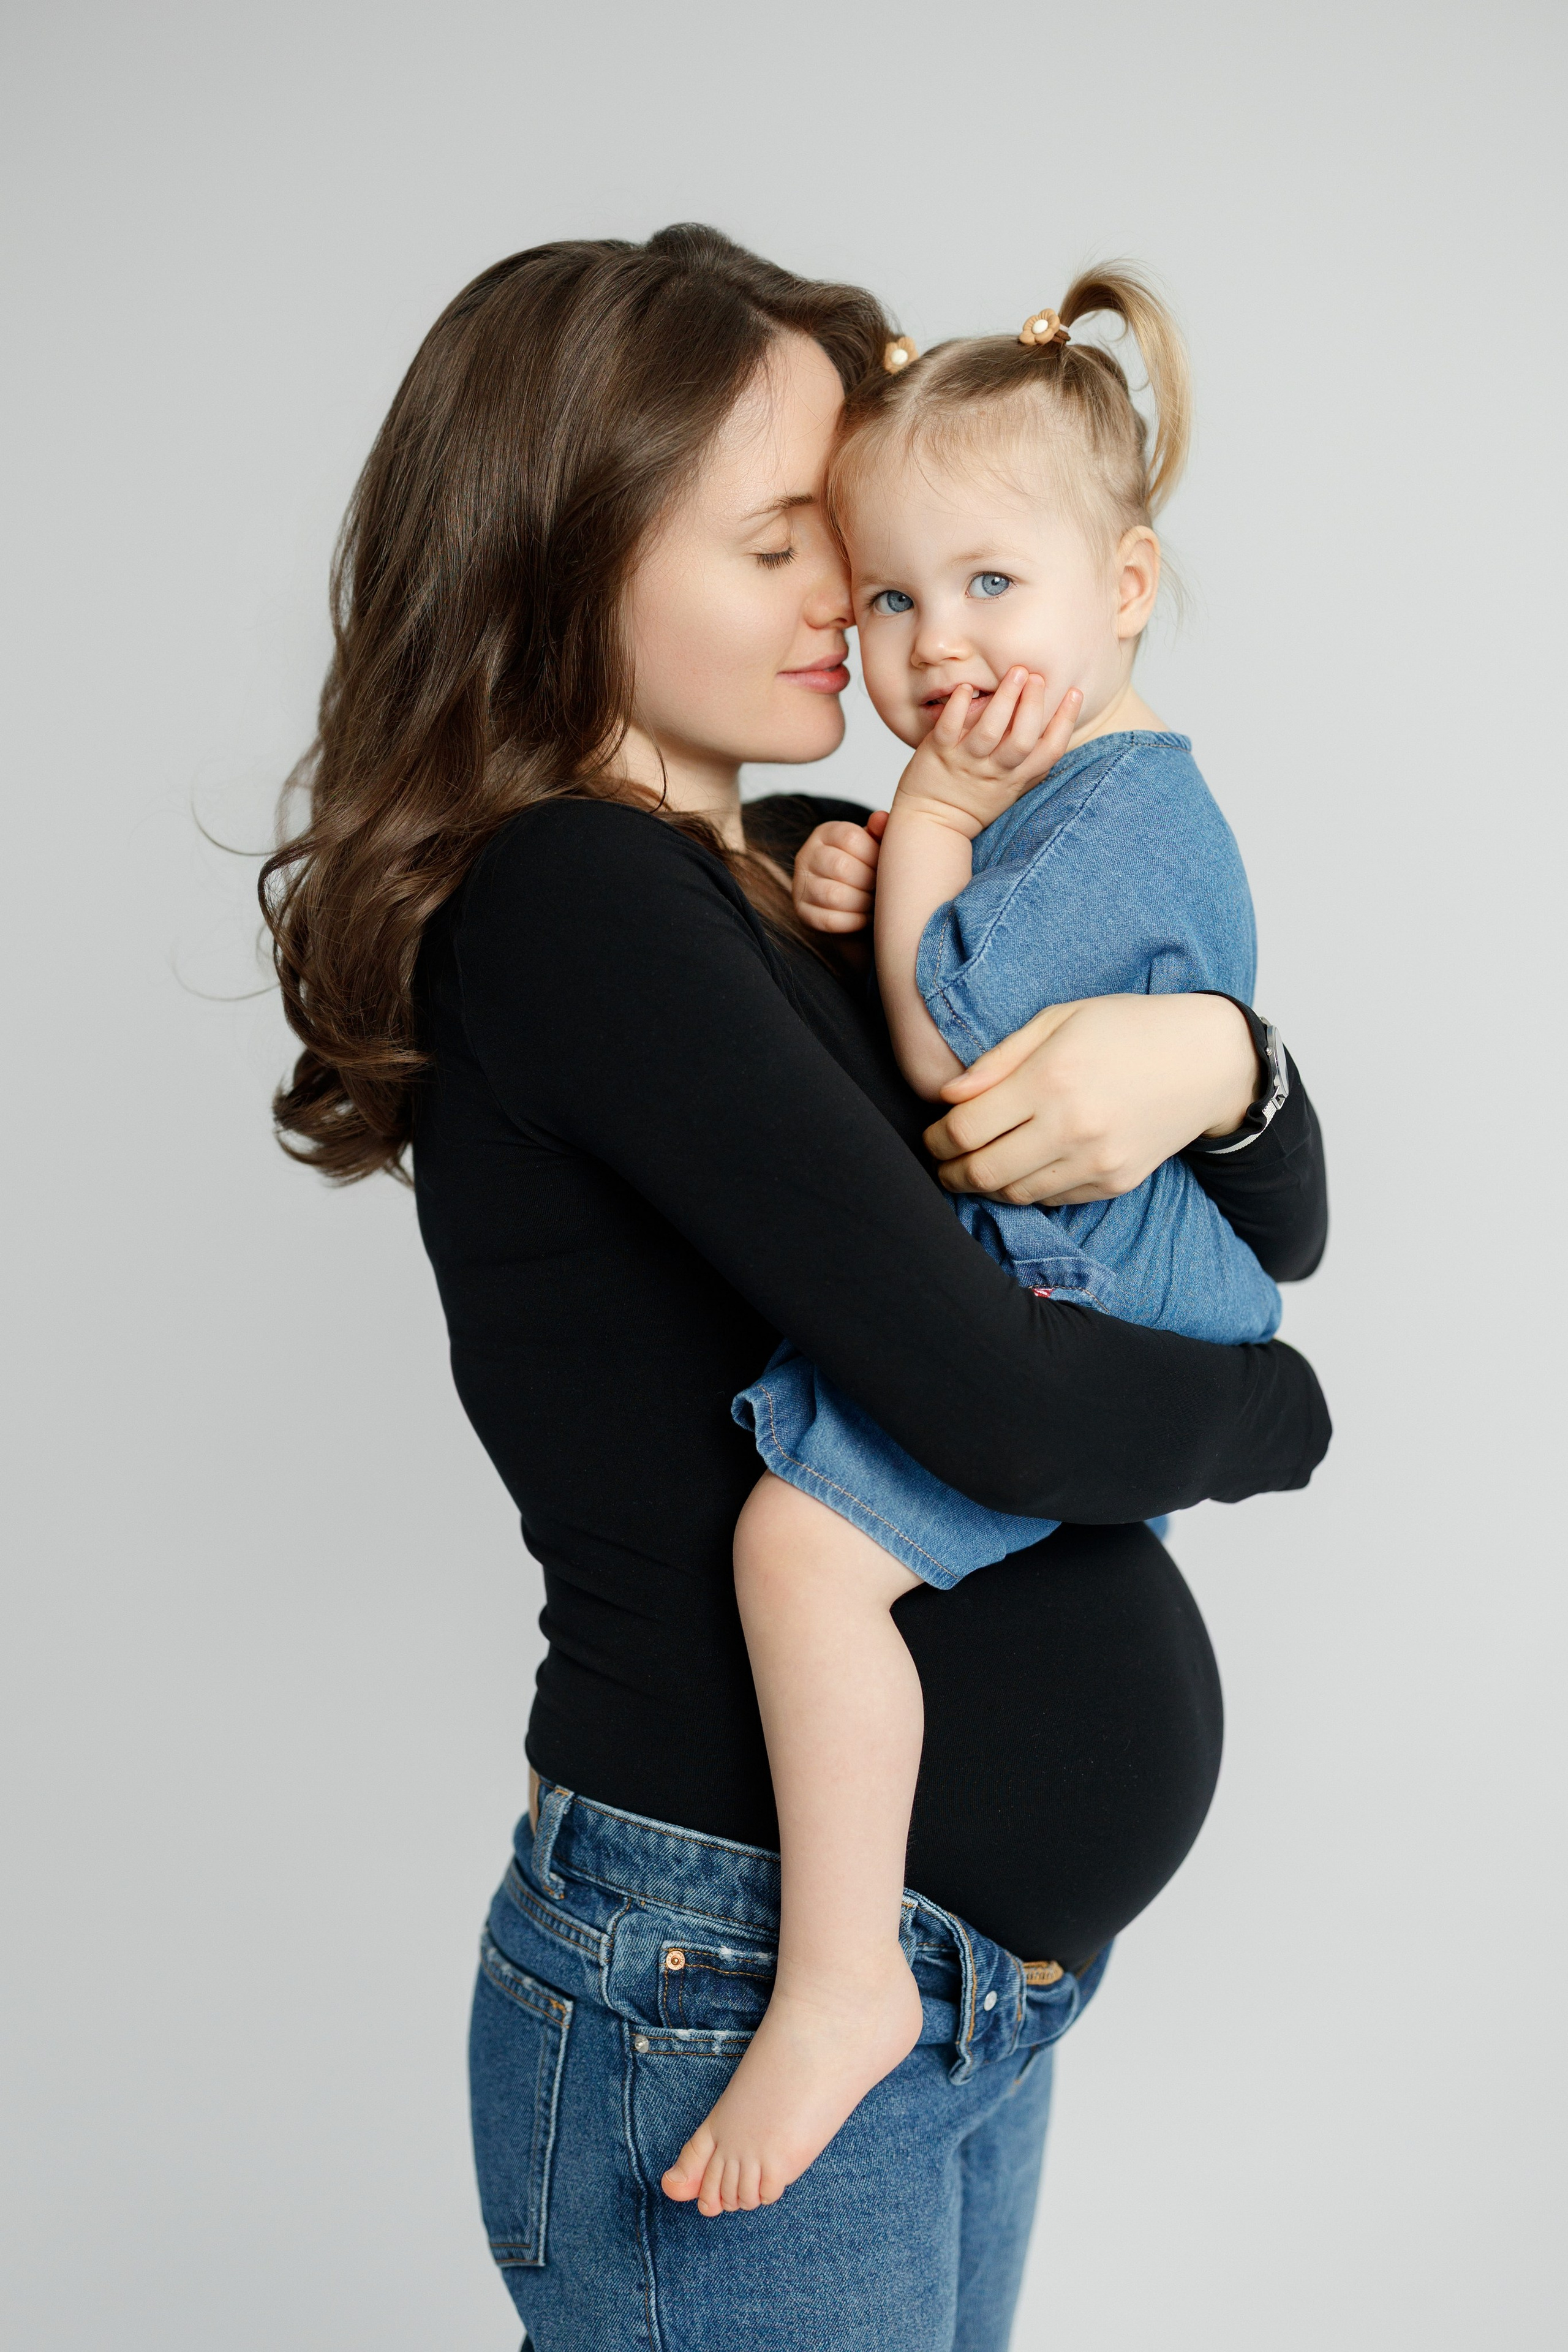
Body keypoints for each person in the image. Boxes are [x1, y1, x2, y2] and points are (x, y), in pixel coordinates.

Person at [263, 224, 1329, 2351]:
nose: (859, 605)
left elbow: (1272, 1202)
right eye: (779, 548)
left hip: (945, 1983)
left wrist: (1220, 1059)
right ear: (570, 565)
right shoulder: (577, 905)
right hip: (728, 1973)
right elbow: (999, 1405)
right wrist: (1277, 1417)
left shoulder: (799, 872)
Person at [668, 268, 1311, 2221]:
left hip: (1096, 1271)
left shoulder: (1110, 816)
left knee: (796, 1556)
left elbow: (949, 1057)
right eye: (889, 598)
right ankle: (866, 1962)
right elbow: (930, 970)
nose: (937, 645)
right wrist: (882, 847)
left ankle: (844, 1975)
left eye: (994, 588)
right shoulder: (1056, 794)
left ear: (1124, 591)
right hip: (1091, 1261)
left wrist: (926, 827)